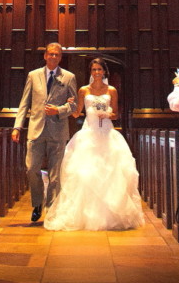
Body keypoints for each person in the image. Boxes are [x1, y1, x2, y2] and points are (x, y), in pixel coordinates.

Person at [44, 57, 144, 231]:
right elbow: (76, 113)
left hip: (107, 134)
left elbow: (116, 114)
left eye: (99, 69)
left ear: (104, 71)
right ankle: (86, 214)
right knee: (85, 174)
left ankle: (112, 214)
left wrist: (107, 115)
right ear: (91, 72)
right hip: (89, 134)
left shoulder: (111, 90)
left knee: (112, 173)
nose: (97, 73)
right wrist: (68, 105)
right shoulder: (84, 90)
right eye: (94, 70)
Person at [12, 42, 77, 222]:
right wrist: (17, 127)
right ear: (45, 56)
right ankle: (38, 202)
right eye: (50, 54)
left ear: (61, 57)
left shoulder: (69, 77)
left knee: (55, 174)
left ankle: (51, 209)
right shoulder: (33, 76)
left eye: (57, 55)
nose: (53, 57)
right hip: (36, 129)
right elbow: (24, 103)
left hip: (58, 130)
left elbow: (74, 105)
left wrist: (59, 110)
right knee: (32, 168)